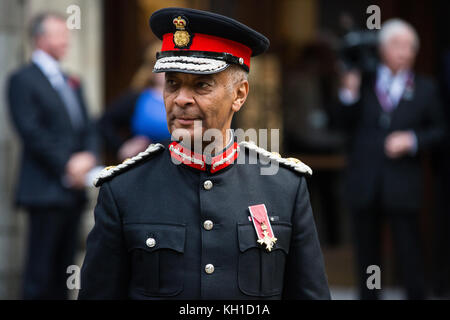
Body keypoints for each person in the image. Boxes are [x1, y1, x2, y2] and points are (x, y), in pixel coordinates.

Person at [79, 7, 330, 300]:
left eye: (201, 85)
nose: (181, 99)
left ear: (239, 95)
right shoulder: (123, 190)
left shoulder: (284, 187)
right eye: (172, 83)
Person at [337, 19, 446, 299]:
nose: (404, 51)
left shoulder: (425, 88)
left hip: (402, 182)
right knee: (368, 253)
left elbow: (441, 131)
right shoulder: (364, 81)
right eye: (397, 44)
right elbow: (341, 124)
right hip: (366, 181)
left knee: (410, 250)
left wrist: (412, 140)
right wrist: (348, 92)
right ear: (382, 48)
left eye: (410, 46)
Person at [7, 12, 98, 299]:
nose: (66, 41)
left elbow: (89, 126)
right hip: (44, 190)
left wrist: (89, 157)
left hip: (73, 193)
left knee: (65, 272)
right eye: (60, 35)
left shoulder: (73, 80)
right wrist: (67, 164)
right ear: (40, 38)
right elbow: (31, 131)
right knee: (40, 274)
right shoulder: (22, 79)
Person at [98, 42, 171, 162]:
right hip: (147, 164)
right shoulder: (138, 97)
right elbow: (104, 123)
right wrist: (121, 147)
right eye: (163, 67)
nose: (168, 73)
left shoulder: (187, 98)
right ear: (152, 69)